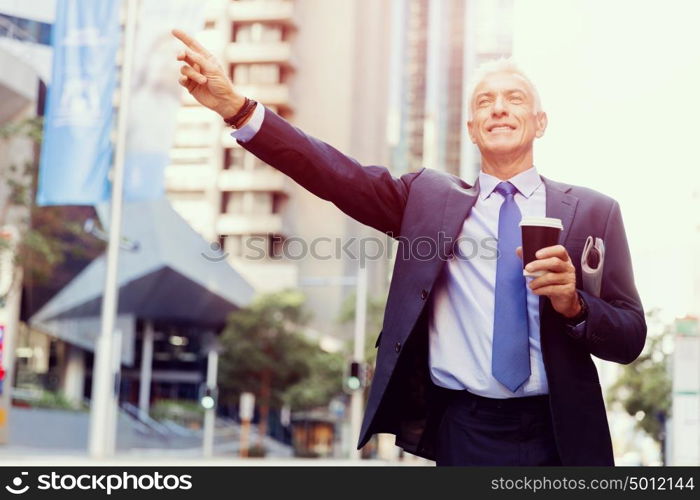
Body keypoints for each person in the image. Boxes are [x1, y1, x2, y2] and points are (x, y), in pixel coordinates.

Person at [172, 29, 646, 466]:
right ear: (472, 128)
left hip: (559, 429)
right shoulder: (427, 199)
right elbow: (334, 173)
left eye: (514, 99)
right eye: (485, 102)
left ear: (539, 122)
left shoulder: (593, 212)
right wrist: (237, 108)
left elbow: (629, 336)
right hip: (463, 429)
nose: (498, 108)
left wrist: (575, 305)